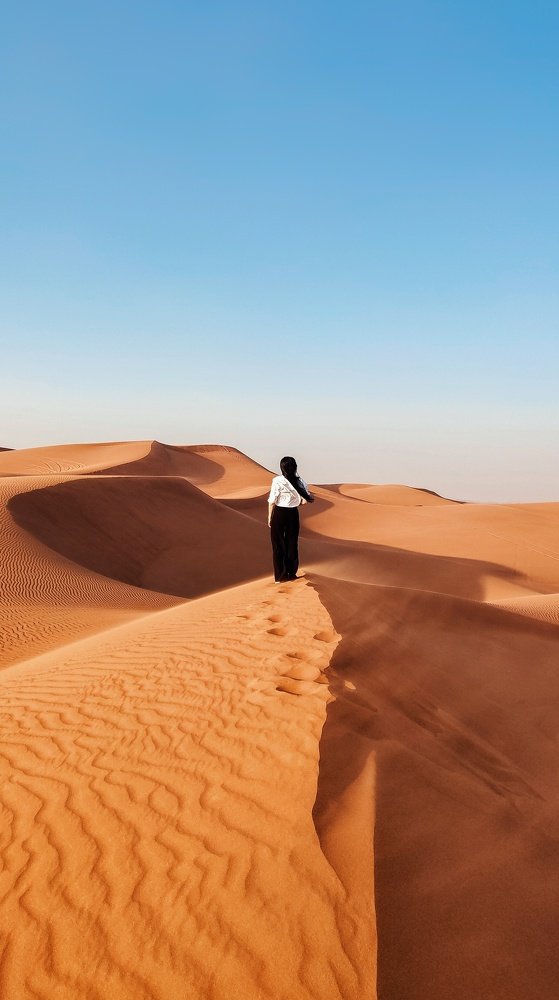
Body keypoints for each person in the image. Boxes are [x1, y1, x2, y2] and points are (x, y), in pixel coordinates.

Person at [267, 456, 314, 582]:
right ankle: (291, 574)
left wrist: (269, 517)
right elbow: (304, 501)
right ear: (295, 467)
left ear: (282, 467)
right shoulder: (301, 482)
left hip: (279, 513)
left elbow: (272, 501)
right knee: (292, 544)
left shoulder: (277, 480)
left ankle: (280, 577)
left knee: (278, 545)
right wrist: (294, 503)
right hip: (293, 514)